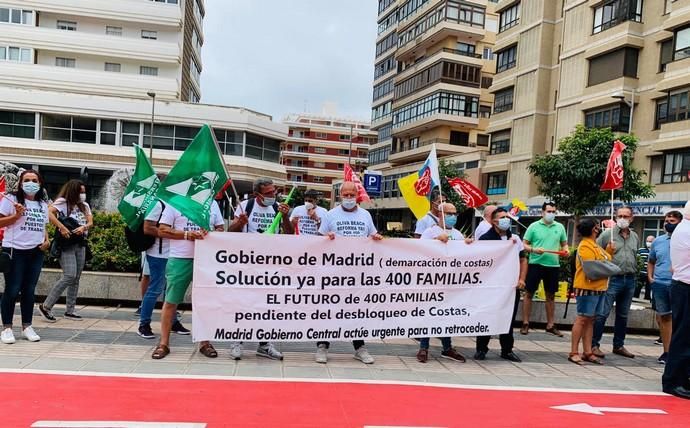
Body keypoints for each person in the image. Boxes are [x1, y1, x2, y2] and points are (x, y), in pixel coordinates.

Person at [316, 181, 383, 364]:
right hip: (335, 273)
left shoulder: (365, 215)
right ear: (339, 196)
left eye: (351, 194)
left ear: (357, 195)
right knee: (330, 310)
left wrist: (376, 238)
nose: (348, 198)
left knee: (356, 311)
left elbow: (372, 236)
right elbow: (319, 239)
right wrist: (326, 238)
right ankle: (322, 346)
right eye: (345, 195)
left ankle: (359, 347)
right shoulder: (330, 215)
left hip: (358, 273)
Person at [151, 200, 225, 360]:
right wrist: (186, 235)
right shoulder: (175, 203)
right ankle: (163, 343)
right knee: (171, 302)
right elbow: (162, 229)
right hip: (180, 258)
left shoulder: (212, 203)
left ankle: (205, 342)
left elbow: (220, 228)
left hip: (206, 259)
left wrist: (211, 232)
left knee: (205, 303)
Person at [228, 177, 291, 360]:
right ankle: (237, 342)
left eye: (274, 191)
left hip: (271, 265)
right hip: (248, 265)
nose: (273, 195)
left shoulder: (278, 207)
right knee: (243, 305)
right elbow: (230, 233)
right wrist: (239, 223)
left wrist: (285, 216)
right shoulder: (245, 206)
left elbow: (289, 234)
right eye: (269, 193)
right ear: (257, 194)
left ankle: (264, 345)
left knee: (266, 306)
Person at [416, 202, 471, 363]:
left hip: (450, 282)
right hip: (432, 281)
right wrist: (435, 240)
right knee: (429, 313)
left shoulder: (458, 234)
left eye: (455, 214)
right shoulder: (429, 231)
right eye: (449, 213)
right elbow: (420, 251)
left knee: (446, 314)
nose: (453, 216)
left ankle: (447, 348)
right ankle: (423, 347)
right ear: (440, 214)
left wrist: (468, 245)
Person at [0, 170, 50, 344]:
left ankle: (27, 326)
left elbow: (43, 226)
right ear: (21, 183)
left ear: (40, 183)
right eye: (27, 180)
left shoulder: (42, 204)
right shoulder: (11, 200)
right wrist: (16, 215)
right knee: (12, 289)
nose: (31, 183)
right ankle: (6, 328)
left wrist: (47, 240)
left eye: (34, 180)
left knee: (29, 290)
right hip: (15, 250)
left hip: (36, 252)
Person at [475, 207, 527, 362]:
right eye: (502, 217)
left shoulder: (515, 239)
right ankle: (481, 349)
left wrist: (522, 279)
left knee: (508, 318)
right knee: (487, 316)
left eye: (507, 217)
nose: (506, 220)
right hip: (491, 287)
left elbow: (523, 260)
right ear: (493, 221)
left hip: (511, 287)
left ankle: (507, 350)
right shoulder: (485, 239)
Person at [39, 180, 93, 321]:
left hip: (80, 243)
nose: (83, 194)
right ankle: (46, 306)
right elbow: (49, 213)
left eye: (84, 191)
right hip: (66, 243)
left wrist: (84, 227)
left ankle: (70, 310)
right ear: (73, 191)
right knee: (69, 275)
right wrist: (61, 227)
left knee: (76, 278)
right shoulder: (63, 202)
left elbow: (90, 222)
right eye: (80, 192)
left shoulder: (84, 205)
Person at [137, 199, 190, 339]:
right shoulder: (158, 203)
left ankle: (173, 322)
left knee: (170, 291)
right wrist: (174, 233)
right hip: (158, 254)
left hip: (174, 253)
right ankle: (144, 324)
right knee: (155, 288)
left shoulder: (179, 203)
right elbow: (147, 227)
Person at [592, 206, 639, 359]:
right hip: (612, 279)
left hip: (630, 279)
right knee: (602, 314)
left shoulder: (635, 237)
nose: (623, 219)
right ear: (615, 217)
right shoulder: (607, 235)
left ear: (632, 218)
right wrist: (607, 251)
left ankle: (618, 345)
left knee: (623, 315)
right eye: (620, 216)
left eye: (626, 216)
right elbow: (595, 253)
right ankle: (594, 345)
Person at [521, 202, 569, 336]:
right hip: (535, 264)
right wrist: (534, 249)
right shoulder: (533, 226)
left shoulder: (559, 227)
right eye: (549, 211)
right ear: (542, 212)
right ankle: (525, 323)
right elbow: (523, 244)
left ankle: (550, 324)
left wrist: (565, 251)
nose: (551, 214)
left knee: (551, 295)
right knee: (529, 293)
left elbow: (564, 244)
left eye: (553, 211)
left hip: (553, 265)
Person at [568, 219, 609, 365]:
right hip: (586, 287)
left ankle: (587, 351)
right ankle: (574, 352)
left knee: (591, 319)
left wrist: (608, 253)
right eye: (597, 227)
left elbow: (607, 258)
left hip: (599, 287)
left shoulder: (594, 245)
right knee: (582, 318)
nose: (598, 229)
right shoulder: (585, 246)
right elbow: (596, 266)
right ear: (594, 230)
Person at [662, 200, 690, 399]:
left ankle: (683, 377)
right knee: (683, 336)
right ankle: (673, 381)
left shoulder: (683, 228)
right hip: (685, 287)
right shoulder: (686, 230)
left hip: (682, 286)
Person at [649, 210, 683, 366]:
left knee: (680, 319)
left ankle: (679, 353)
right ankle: (667, 351)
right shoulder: (658, 241)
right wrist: (651, 277)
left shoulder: (685, 240)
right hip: (660, 283)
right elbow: (651, 260)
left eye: (672, 220)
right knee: (664, 317)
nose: (668, 223)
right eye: (666, 220)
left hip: (679, 283)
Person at [636, 235, 655, 300]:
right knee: (637, 288)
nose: (648, 243)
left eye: (650, 241)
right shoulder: (641, 250)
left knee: (648, 289)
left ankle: (647, 299)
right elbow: (637, 260)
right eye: (647, 241)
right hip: (641, 273)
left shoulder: (655, 251)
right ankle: (635, 299)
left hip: (650, 274)